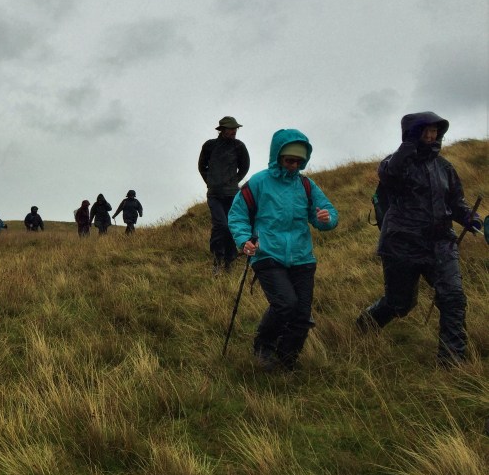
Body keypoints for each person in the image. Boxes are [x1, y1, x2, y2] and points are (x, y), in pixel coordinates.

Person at [356, 112, 482, 368]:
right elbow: (390, 176)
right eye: (424, 130)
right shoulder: (393, 164)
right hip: (401, 243)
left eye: (434, 130)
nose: (430, 135)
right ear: (411, 133)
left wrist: (471, 218)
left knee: (453, 298)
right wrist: (409, 146)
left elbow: (456, 201)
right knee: (400, 304)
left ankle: (452, 362)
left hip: (441, 243)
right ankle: (365, 324)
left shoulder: (445, 167)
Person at [227, 129, 338, 371]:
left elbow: (326, 213)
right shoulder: (258, 182)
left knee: (302, 315)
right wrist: (244, 240)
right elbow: (237, 214)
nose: (294, 165)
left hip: (302, 258)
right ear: (277, 156)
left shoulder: (306, 185)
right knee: (286, 304)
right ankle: (263, 347)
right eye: (289, 160)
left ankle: (287, 360)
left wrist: (326, 219)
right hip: (267, 254)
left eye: (298, 161)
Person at [198, 116, 251, 274]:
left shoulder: (239, 146)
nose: (234, 131)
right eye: (230, 128)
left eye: (235, 128)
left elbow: (245, 166)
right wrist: (210, 181)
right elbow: (201, 166)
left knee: (231, 226)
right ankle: (217, 259)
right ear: (222, 130)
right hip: (214, 194)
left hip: (232, 194)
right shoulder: (209, 145)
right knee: (220, 225)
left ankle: (230, 260)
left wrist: (234, 181)